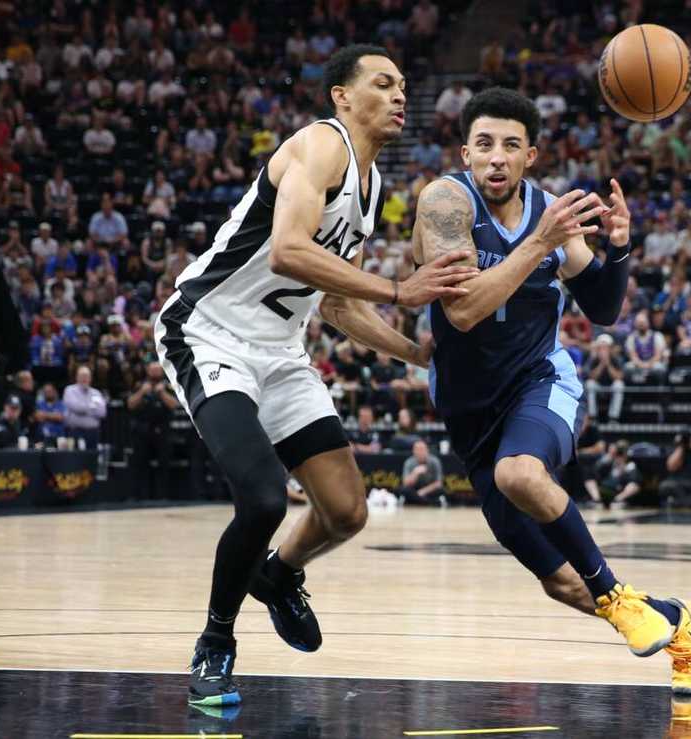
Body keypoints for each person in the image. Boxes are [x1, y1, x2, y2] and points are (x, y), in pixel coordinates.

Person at [152, 45, 477, 706]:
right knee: (266, 497)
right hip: (209, 331)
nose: (398, 95)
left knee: (347, 510)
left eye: (403, 85)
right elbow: (289, 249)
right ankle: (215, 642)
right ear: (340, 96)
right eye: (382, 83)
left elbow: (335, 306)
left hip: (279, 349)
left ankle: (275, 576)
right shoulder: (317, 146)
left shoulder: (371, 184)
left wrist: (417, 355)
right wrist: (399, 289)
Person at [411, 87, 691, 694]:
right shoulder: (445, 202)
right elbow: (464, 312)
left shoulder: (552, 213)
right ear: (465, 152)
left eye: (511, 146)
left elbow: (601, 308)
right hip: (470, 416)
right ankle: (676, 621)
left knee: (518, 475)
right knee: (560, 582)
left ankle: (617, 595)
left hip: (539, 382)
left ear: (532, 156)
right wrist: (540, 245)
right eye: (485, 145)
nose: (496, 157)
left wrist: (618, 247)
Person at [126, 362, 178, 500]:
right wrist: (142, 392)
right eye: (152, 370)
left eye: (157, 370)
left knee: (164, 465)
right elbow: (130, 404)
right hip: (142, 430)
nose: (155, 372)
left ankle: (162, 496)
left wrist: (162, 393)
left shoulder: (168, 385)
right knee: (140, 464)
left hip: (162, 431)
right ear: (147, 371)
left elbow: (174, 405)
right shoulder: (139, 385)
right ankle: (140, 496)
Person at [582, 334, 625, 421]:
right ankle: (592, 416)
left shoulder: (617, 359)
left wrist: (608, 364)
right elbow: (592, 377)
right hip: (599, 387)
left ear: (610, 349)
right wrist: (601, 364)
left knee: (619, 385)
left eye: (605, 348)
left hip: (611, 386)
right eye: (601, 348)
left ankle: (613, 417)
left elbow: (619, 377)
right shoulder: (593, 359)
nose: (603, 351)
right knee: (589, 384)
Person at [62, 366, 107, 449]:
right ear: (77, 377)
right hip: (74, 432)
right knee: (75, 459)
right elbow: (76, 407)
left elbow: (102, 412)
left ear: (90, 378)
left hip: (93, 433)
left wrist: (84, 408)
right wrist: (92, 408)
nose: (84, 378)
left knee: (91, 458)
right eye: (82, 376)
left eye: (87, 376)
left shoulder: (96, 393)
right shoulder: (70, 390)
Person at [397, 439, 446, 505]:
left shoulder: (435, 461)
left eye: (422, 449)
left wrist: (423, 491)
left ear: (427, 450)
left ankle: (417, 501)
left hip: (429, 490)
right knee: (403, 490)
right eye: (417, 449)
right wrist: (415, 473)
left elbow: (438, 483)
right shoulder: (409, 462)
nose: (420, 452)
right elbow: (405, 483)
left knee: (441, 490)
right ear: (413, 451)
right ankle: (428, 502)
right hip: (414, 489)